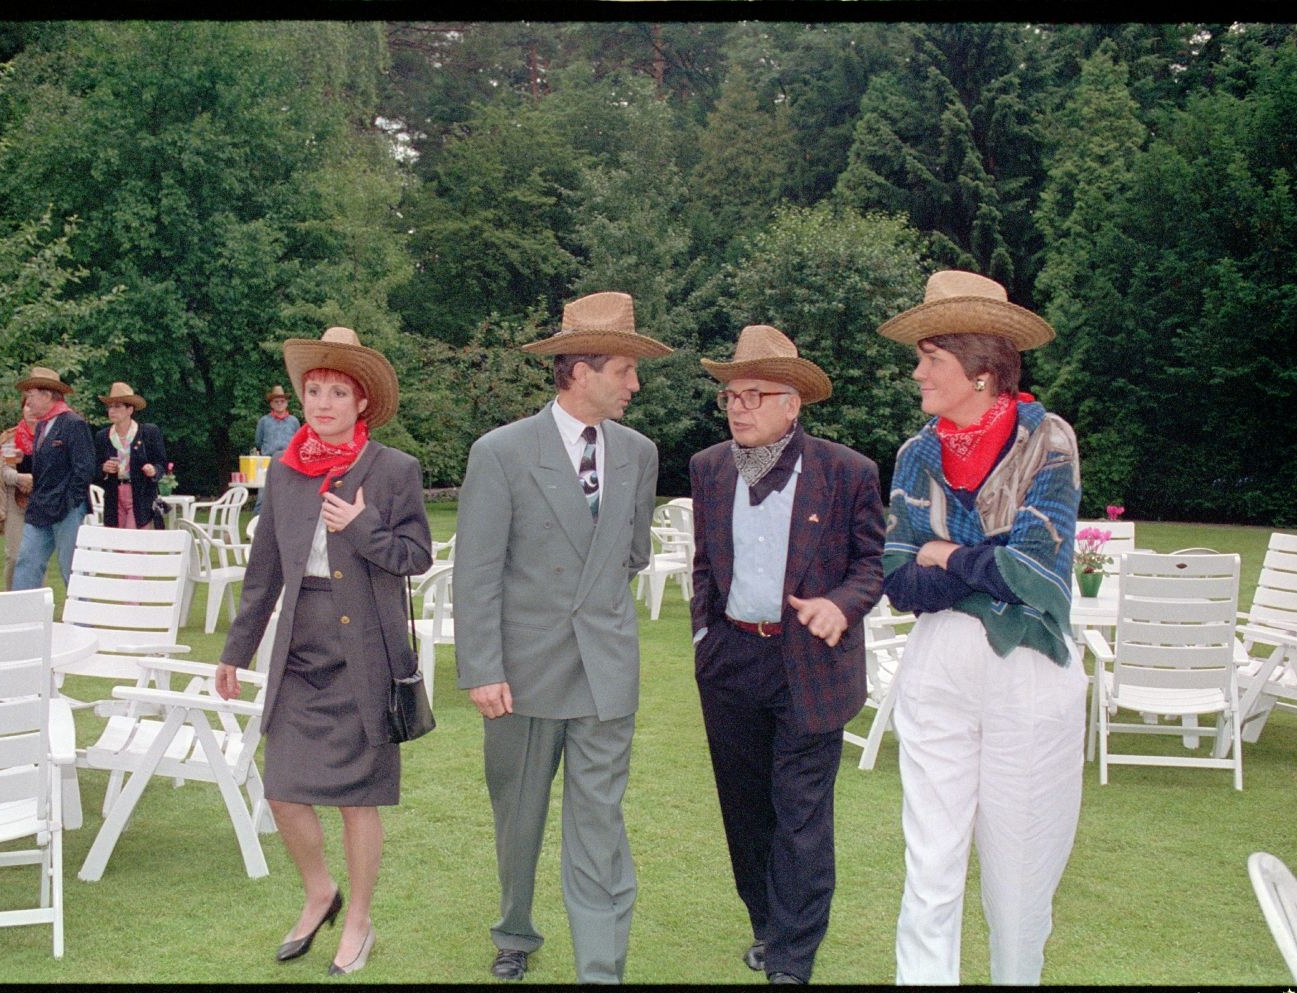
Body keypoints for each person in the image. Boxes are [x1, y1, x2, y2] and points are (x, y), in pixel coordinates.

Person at [875, 270, 1085, 985]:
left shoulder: (1048, 441)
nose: (917, 371)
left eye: (931, 357)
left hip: (1029, 671)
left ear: (983, 369)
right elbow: (900, 576)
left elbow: (1033, 571)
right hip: (938, 667)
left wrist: (948, 553)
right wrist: (975, 561)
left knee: (1019, 875)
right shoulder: (913, 453)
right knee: (929, 865)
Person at [454, 291, 670, 983]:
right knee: (519, 817)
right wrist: (482, 666)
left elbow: (632, 552)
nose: (635, 384)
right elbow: (476, 573)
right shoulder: (500, 453)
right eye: (625, 370)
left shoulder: (640, 453)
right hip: (519, 676)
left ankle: (600, 969)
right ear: (580, 369)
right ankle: (514, 928)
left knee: (599, 825)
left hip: (607, 671)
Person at [214, 326, 431, 977]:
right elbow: (263, 574)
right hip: (301, 654)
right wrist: (235, 651)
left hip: (366, 652)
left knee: (358, 798)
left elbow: (415, 556)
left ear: (362, 402)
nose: (324, 401)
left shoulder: (393, 471)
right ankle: (320, 892)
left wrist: (361, 526)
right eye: (314, 389)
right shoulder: (284, 472)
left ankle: (358, 920)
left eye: (338, 391)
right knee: (282, 788)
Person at [688, 325, 884, 985]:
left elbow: (871, 562)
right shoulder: (709, 468)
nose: (738, 406)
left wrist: (842, 603)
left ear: (792, 402)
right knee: (746, 809)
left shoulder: (847, 472)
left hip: (810, 664)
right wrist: (703, 637)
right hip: (731, 661)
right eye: (732, 396)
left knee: (800, 815)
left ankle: (792, 959)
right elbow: (704, 567)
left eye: (754, 394)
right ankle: (767, 926)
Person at [10, 366, 95, 591]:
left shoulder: (73, 423)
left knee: (71, 568)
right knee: (26, 561)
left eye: (31, 396)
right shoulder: (42, 425)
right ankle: (24, 618)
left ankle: (83, 619)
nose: (27, 402)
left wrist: (71, 501)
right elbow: (45, 469)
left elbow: (84, 468)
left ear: (47, 395)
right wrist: (24, 460)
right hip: (40, 505)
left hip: (66, 507)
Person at [93, 382, 167, 529]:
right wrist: (103, 468)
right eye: (110, 406)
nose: (112, 410)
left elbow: (161, 463)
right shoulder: (102, 436)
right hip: (114, 497)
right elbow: (93, 469)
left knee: (134, 543)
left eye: (118, 406)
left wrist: (153, 470)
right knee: (118, 544)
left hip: (140, 495)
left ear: (130, 409)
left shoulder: (148, 432)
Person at [0, 397, 40, 590]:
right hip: (14, 500)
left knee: (36, 556)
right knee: (14, 555)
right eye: (27, 405)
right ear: (22, 410)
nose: (32, 410)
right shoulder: (11, 437)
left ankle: (36, 604)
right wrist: (20, 478)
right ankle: (11, 599)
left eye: (34, 404)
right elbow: (4, 471)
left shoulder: (50, 435)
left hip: (42, 501)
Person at [253, 384, 300, 513]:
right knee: (262, 497)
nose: (279, 404)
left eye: (282, 401)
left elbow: (298, 442)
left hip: (288, 461)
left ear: (286, 403)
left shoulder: (294, 421)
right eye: (276, 401)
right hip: (268, 461)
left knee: (288, 496)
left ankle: (286, 528)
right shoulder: (264, 421)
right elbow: (258, 441)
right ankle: (255, 530)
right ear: (271, 404)